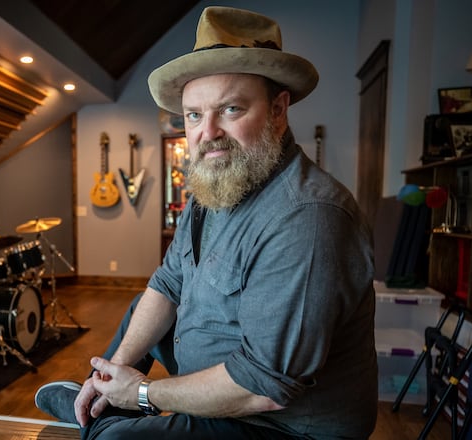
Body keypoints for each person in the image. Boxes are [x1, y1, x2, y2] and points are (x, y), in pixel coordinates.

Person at [35, 6, 377, 439]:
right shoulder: (218, 184)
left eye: (230, 109)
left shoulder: (309, 218)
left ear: (278, 110)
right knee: (144, 308)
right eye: (194, 115)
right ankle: (98, 398)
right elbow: (168, 284)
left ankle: (104, 420)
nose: (207, 132)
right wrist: (113, 374)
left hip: (281, 426)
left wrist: (142, 393)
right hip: (227, 386)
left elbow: (263, 387)